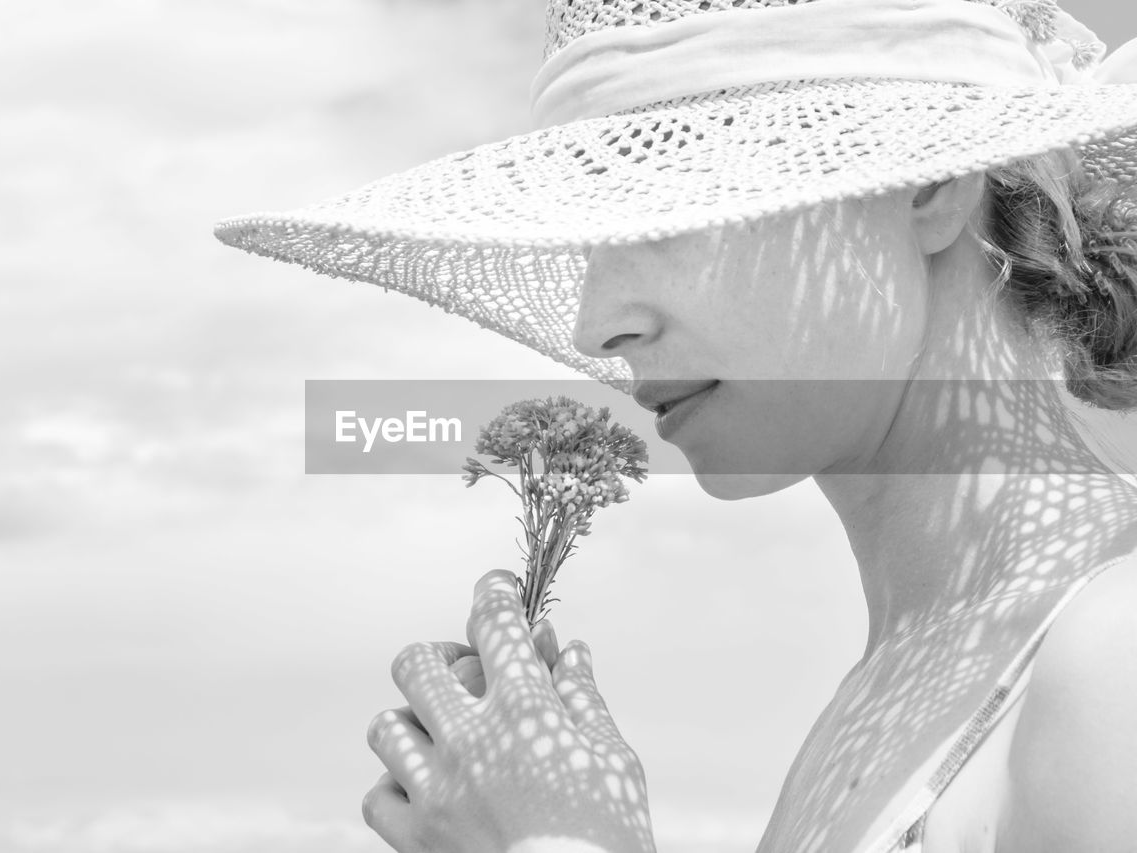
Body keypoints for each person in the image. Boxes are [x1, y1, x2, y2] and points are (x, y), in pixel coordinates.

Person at [215, 0, 1137, 850]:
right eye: (592, 237)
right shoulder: (906, 679)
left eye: (675, 208)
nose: (595, 323)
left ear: (931, 184)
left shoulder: (1114, 655)